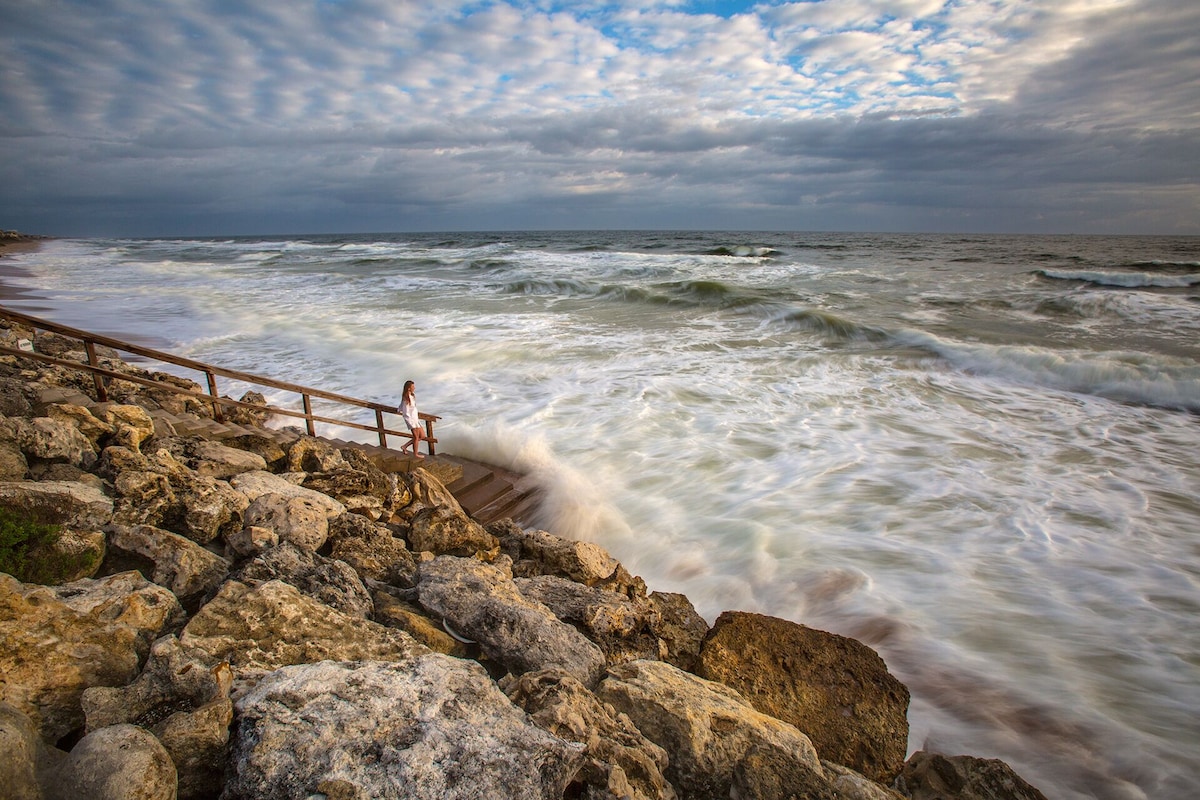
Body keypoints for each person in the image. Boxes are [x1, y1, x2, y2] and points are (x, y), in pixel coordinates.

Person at [398, 380, 426, 458]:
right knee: (416, 437)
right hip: (411, 420)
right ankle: (416, 454)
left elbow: (402, 406)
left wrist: (398, 409)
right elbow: (405, 411)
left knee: (422, 436)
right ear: (408, 388)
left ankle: (404, 446)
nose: (414, 388)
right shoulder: (406, 398)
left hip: (415, 418)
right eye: (413, 386)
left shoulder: (412, 396)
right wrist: (410, 422)